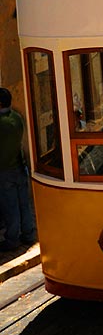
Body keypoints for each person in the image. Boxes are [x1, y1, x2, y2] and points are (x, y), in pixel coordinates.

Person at [0, 88, 36, 250]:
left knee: (11, 207)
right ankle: (28, 234)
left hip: (5, 170)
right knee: (24, 204)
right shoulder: (17, 118)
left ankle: (12, 240)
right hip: (20, 167)